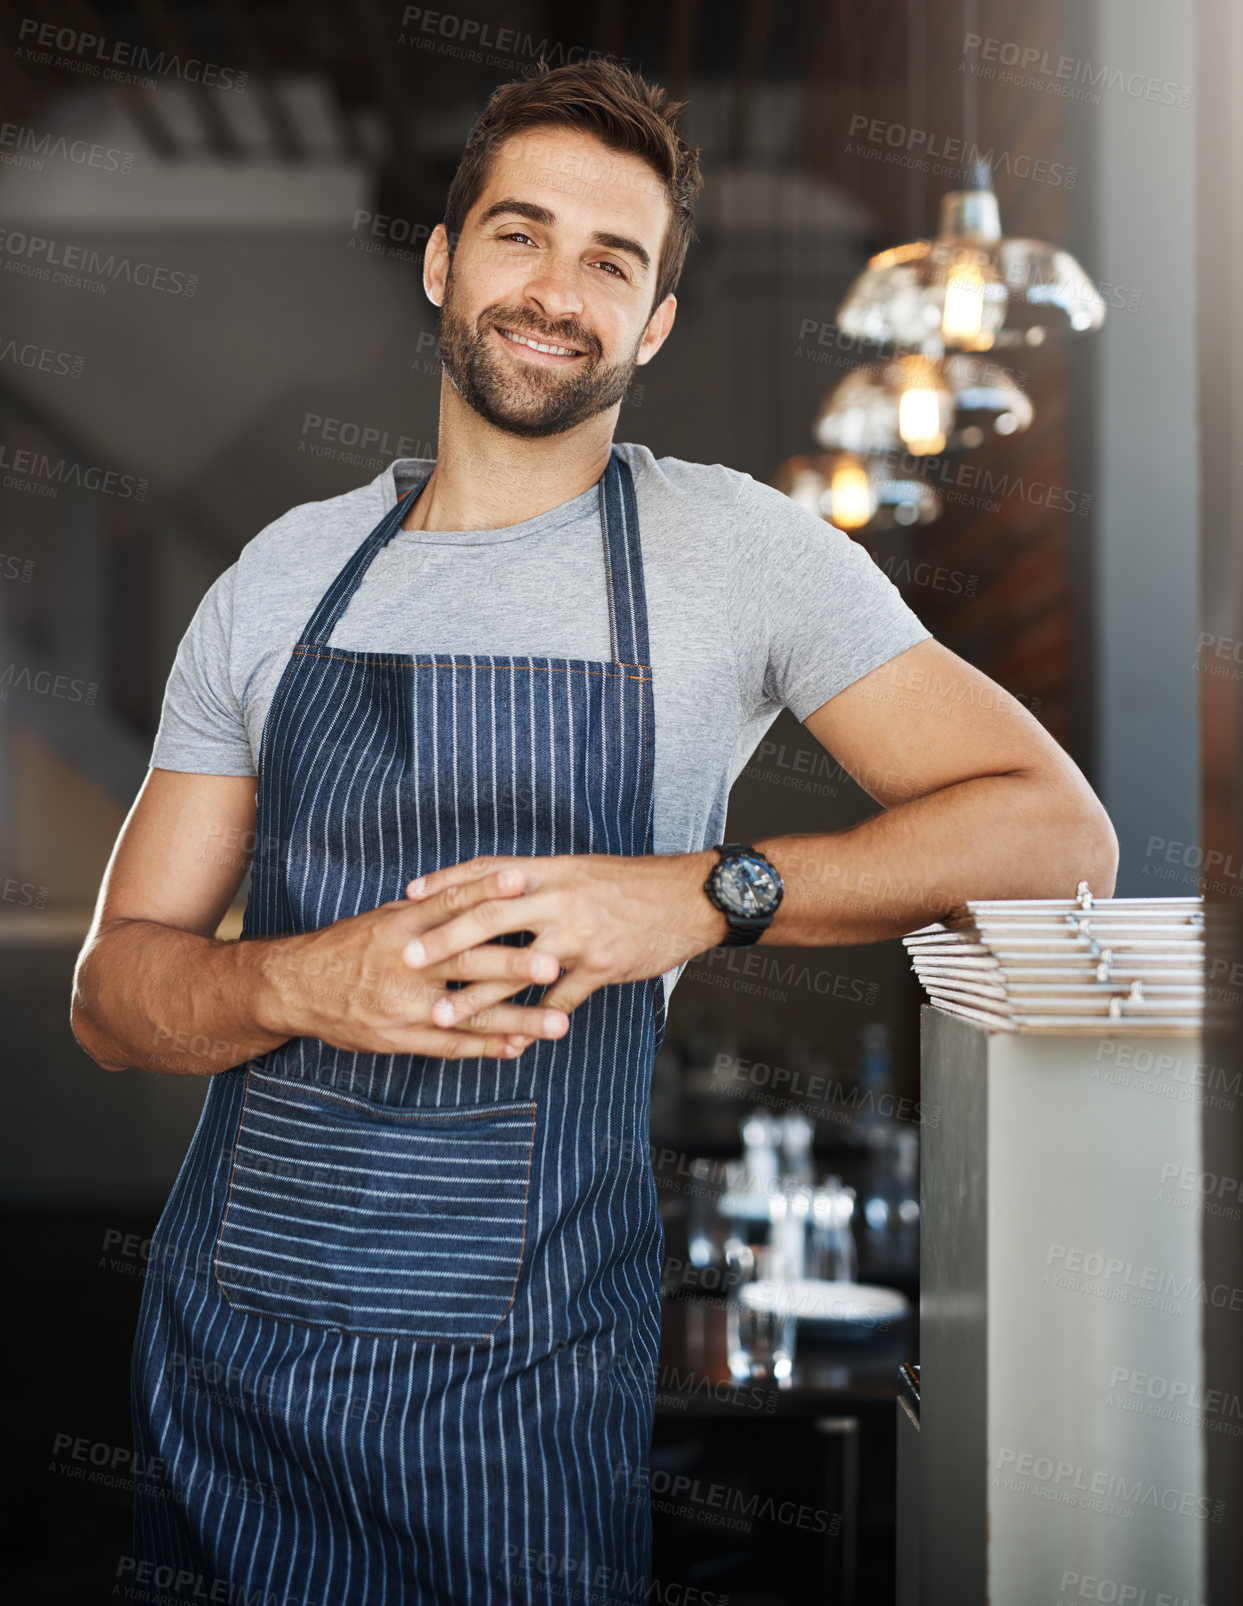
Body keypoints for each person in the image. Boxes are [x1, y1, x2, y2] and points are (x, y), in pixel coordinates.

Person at [71, 56, 1117, 1606]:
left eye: (612, 261)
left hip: (529, 1378)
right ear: (443, 260)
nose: (557, 290)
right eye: (520, 234)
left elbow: (1060, 834)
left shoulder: (737, 553)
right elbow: (111, 995)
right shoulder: (284, 577)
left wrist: (707, 894)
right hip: (232, 1365)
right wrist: (304, 984)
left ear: (658, 322)